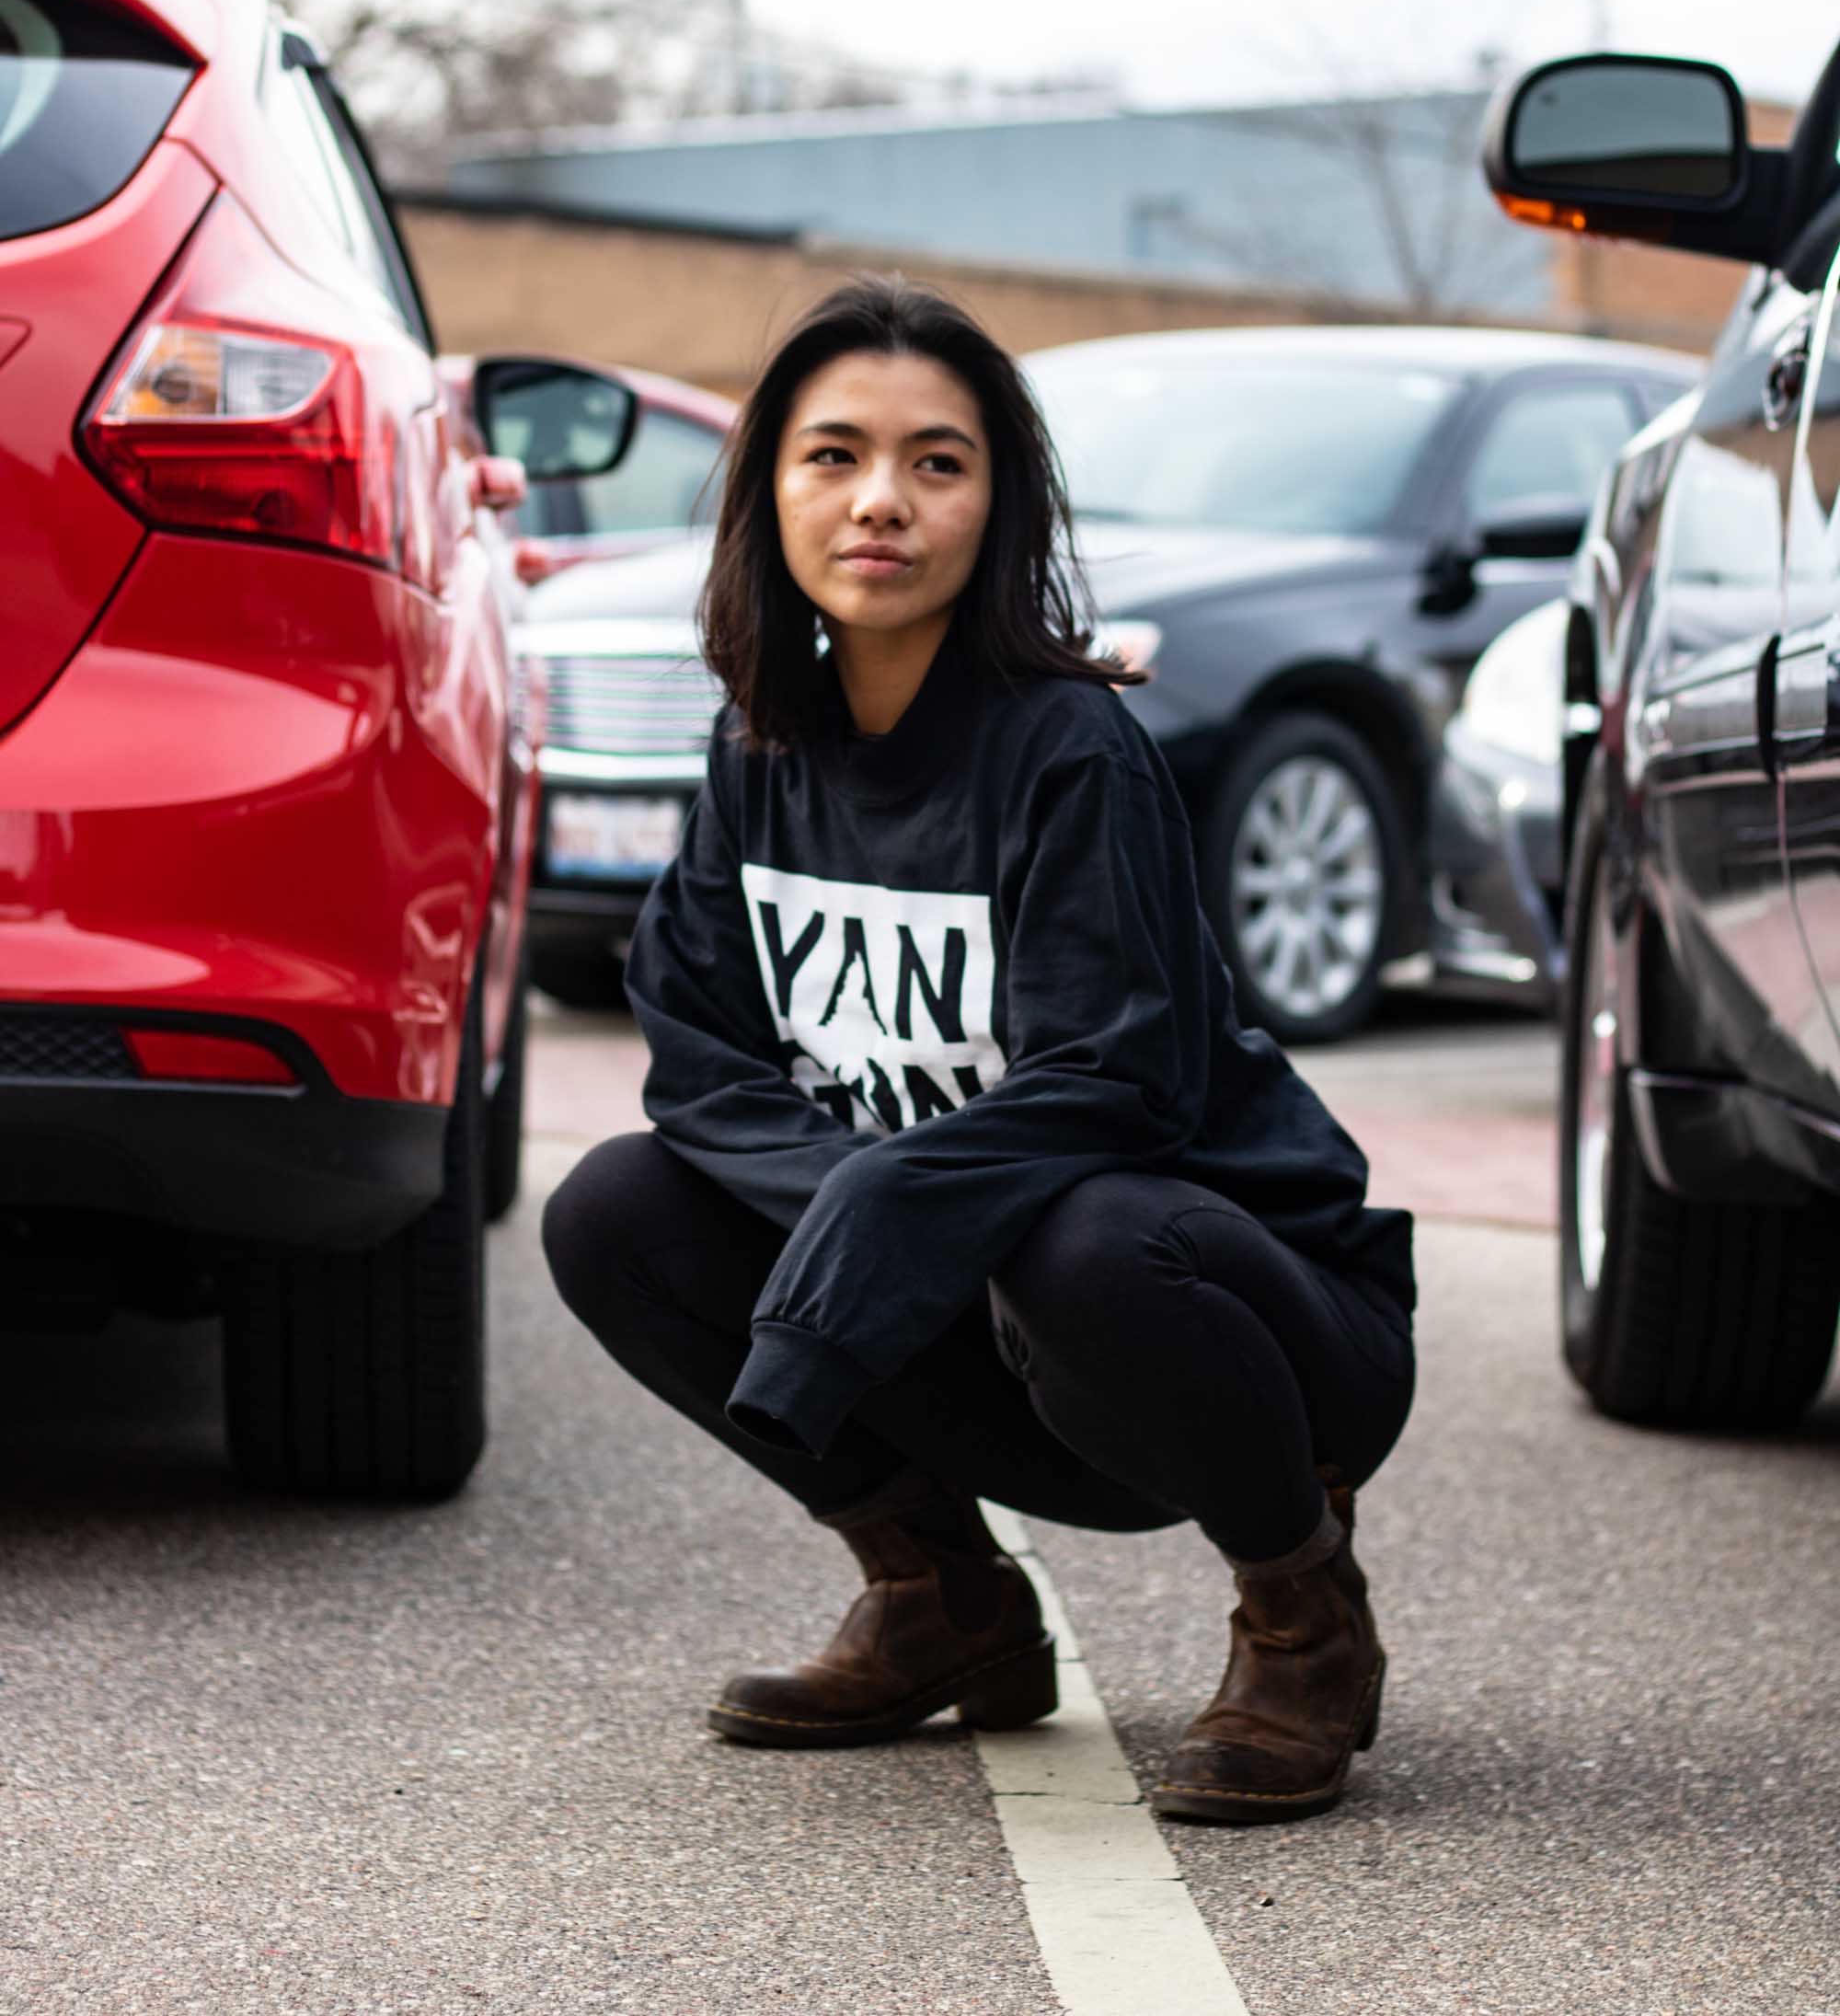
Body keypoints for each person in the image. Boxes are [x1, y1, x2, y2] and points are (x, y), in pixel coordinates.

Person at [543, 276, 1415, 1826]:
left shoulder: (1071, 749)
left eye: (937, 463)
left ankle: (1301, 1619)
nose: (881, 501)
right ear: (770, 494)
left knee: (1088, 1225)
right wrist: (865, 1204)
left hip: (1244, 1326)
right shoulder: (761, 751)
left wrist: (884, 1213)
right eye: (834, 457)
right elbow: (697, 1057)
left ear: (997, 509)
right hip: (986, 1323)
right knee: (614, 1207)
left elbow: (1117, 1080)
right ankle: (942, 1597)